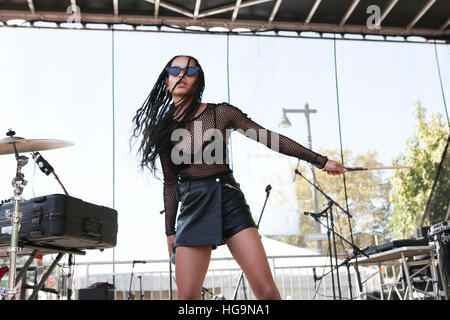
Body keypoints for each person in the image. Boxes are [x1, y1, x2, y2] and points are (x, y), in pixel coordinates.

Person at [132, 55, 347, 300]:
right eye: (175, 70)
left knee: (266, 291)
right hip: (193, 204)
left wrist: (321, 161)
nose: (182, 75)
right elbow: (170, 182)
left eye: (190, 71)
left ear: (198, 79)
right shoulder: (162, 129)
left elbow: (270, 138)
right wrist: (169, 231)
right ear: (167, 80)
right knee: (188, 298)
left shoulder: (221, 113)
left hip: (228, 198)